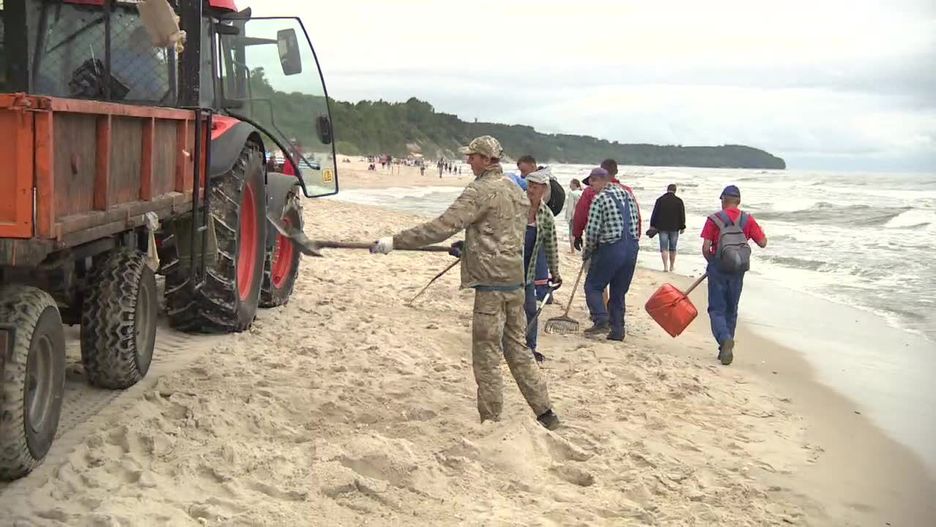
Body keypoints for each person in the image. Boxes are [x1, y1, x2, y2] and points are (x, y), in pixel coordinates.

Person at [370, 135, 560, 430]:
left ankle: (491, 420)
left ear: (486, 160)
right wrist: (470, 245)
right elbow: (503, 232)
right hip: (515, 283)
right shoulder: (516, 189)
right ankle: (546, 413)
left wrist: (395, 241)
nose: (468, 161)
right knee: (519, 349)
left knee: (486, 355)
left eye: (472, 157)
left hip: (491, 287)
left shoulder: (480, 190)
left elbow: (443, 226)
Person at [701, 185, 768, 366]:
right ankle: (726, 346)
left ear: (723, 200)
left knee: (716, 309)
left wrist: (712, 263)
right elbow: (763, 242)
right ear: (738, 201)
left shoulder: (714, 219)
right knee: (732, 309)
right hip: (738, 269)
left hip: (718, 268)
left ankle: (724, 339)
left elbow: (706, 248)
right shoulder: (747, 219)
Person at [580, 167, 641, 341]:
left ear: (596, 180)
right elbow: (637, 222)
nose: (591, 188)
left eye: (591, 184)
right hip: (631, 248)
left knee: (593, 286)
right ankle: (617, 330)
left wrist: (587, 252)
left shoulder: (600, 199)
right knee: (618, 291)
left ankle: (601, 319)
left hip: (611, 248)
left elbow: (592, 231)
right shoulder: (628, 195)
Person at [521, 168, 562, 363]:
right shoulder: (515, 205)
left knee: (531, 308)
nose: (530, 190)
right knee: (505, 309)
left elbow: (551, 246)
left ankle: (530, 347)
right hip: (506, 268)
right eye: (529, 185)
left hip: (528, 270)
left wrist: (555, 272)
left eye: (535, 187)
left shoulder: (546, 215)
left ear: (544, 189)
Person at [571, 159, 641, 252]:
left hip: (603, 245)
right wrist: (636, 238)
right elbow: (636, 217)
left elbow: (581, 215)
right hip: (628, 244)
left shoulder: (591, 191)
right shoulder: (627, 191)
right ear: (616, 171)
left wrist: (577, 235)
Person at [649, 183, 687, 272]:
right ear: (675, 190)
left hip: (662, 227)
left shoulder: (660, 200)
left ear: (667, 189)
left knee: (664, 248)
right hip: (674, 228)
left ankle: (665, 266)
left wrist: (652, 225)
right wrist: (682, 227)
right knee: (673, 248)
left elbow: (655, 214)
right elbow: (682, 215)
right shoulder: (679, 201)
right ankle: (672, 266)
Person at [565, 179, 584, 254]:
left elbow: (570, 207)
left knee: (572, 233)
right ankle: (582, 250)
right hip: (582, 216)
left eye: (570, 184)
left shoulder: (572, 193)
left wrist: (568, 217)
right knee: (581, 233)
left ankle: (573, 251)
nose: (570, 186)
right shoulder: (583, 192)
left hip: (574, 216)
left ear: (574, 185)